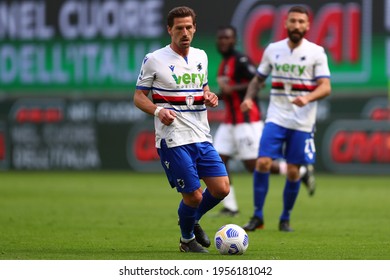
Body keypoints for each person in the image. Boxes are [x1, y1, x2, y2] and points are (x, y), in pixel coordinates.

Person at [133, 6, 230, 253]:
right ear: (169, 30)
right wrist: (157, 110)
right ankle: (187, 240)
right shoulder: (154, 59)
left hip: (201, 135)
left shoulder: (201, 56)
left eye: (189, 27)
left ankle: (190, 218)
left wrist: (210, 96)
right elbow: (139, 97)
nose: (185, 32)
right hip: (173, 138)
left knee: (221, 189)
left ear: (195, 28)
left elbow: (204, 89)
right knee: (194, 196)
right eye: (179, 28)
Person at [240, 5, 331, 232]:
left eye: (301, 22)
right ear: (286, 23)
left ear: (308, 25)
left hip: (302, 121)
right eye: (293, 21)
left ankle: (285, 218)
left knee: (292, 171)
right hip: (277, 116)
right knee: (262, 162)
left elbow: (326, 87)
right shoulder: (273, 49)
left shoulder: (316, 52)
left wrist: (308, 98)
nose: (297, 25)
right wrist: (249, 97)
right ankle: (258, 216)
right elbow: (258, 79)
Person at [214, 25, 316, 217]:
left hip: (247, 121)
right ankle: (230, 206)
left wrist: (233, 89)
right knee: (217, 161)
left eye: (227, 38)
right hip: (229, 122)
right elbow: (229, 91)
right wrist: (217, 96)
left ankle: (300, 171)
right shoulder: (224, 62)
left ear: (234, 40)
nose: (223, 41)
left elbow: (257, 81)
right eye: (220, 38)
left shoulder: (240, 60)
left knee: (255, 165)